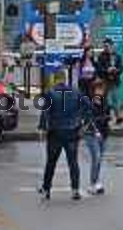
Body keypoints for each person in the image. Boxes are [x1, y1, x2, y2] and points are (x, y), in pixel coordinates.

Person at [37, 69, 86, 201]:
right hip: (72, 131)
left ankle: (46, 190)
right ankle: (75, 190)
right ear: (65, 78)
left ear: (55, 79)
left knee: (51, 162)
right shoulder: (76, 92)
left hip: (55, 132)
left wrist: (42, 128)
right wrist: (81, 125)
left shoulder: (50, 93)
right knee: (73, 162)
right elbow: (85, 109)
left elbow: (45, 112)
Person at [82, 78, 111, 195]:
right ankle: (93, 183)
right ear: (93, 90)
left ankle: (97, 181)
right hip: (91, 132)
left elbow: (107, 114)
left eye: (102, 89)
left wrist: (108, 117)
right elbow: (88, 117)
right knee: (96, 157)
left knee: (99, 159)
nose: (100, 91)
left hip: (103, 132)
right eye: (97, 89)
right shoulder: (89, 101)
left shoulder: (105, 101)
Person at [97, 37, 123, 124]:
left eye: (108, 46)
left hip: (115, 80)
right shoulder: (101, 56)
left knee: (116, 99)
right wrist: (107, 70)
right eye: (105, 46)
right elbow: (99, 69)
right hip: (105, 81)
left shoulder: (117, 56)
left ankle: (118, 117)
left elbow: (121, 68)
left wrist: (116, 70)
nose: (106, 48)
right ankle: (107, 117)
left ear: (112, 46)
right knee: (106, 100)